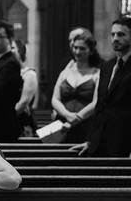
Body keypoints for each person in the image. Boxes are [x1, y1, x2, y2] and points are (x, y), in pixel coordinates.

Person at [74, 17, 131, 157]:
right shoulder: (107, 66)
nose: (115, 38)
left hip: (125, 142)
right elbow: (100, 106)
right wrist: (91, 141)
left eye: (121, 34)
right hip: (102, 142)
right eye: (113, 34)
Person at [51, 30, 100, 144]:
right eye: (75, 47)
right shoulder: (65, 72)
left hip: (86, 125)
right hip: (62, 124)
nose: (77, 51)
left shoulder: (97, 73)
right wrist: (67, 115)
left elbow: (96, 102)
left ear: (91, 51)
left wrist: (76, 119)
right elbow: (55, 99)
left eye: (82, 48)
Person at [11, 39, 39, 137]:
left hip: (23, 123)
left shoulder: (29, 74)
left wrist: (6, 120)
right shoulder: (8, 74)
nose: (9, 51)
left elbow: (23, 103)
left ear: (20, 51)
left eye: (13, 48)